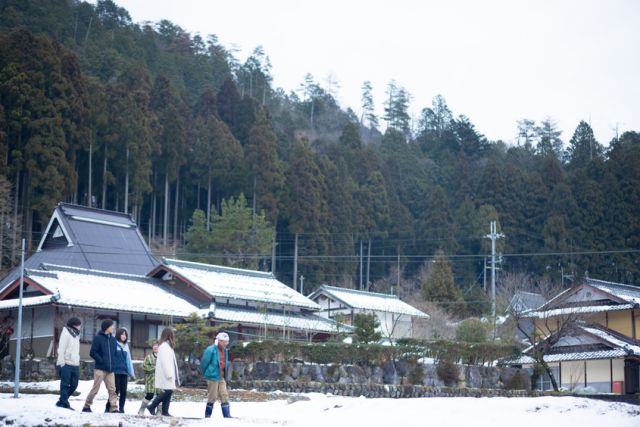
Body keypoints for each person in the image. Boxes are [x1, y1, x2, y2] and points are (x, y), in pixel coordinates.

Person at [82, 319, 118, 413]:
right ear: (106, 327)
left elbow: (114, 354)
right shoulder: (98, 338)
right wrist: (101, 361)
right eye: (112, 326)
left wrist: (113, 363)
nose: (113, 327)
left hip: (110, 370)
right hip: (100, 369)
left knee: (112, 390)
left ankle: (114, 408)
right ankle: (86, 406)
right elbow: (92, 352)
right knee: (95, 389)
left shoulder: (113, 340)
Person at [146, 328, 179, 416]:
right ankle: (152, 406)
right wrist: (169, 374)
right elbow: (165, 362)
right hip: (166, 373)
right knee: (167, 391)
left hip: (167, 373)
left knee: (169, 391)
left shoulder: (166, 345)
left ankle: (165, 411)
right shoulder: (164, 346)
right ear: (169, 335)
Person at [200, 331, 232, 418]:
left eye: (227, 342)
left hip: (221, 376)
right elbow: (204, 363)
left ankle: (227, 416)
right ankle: (207, 415)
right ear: (219, 341)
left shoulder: (225, 351)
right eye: (224, 342)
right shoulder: (210, 349)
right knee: (212, 396)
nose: (226, 343)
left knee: (224, 394)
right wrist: (205, 374)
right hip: (212, 376)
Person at [55, 317, 82, 410]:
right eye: (79, 325)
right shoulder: (66, 333)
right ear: (74, 325)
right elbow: (61, 349)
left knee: (74, 384)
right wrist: (61, 363)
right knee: (65, 384)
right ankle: (64, 402)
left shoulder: (76, 335)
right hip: (66, 363)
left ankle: (63, 400)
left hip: (75, 364)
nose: (80, 327)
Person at [109, 328, 135, 413]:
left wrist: (131, 372)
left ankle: (121, 408)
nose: (124, 336)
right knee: (116, 390)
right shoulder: (114, 344)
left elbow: (128, 360)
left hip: (124, 372)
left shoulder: (126, 346)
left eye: (125, 334)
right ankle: (108, 406)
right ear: (118, 334)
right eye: (122, 334)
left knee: (123, 391)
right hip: (116, 371)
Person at [138, 341, 161, 415]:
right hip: (150, 380)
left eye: (157, 346)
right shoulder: (148, 357)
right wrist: (153, 368)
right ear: (152, 347)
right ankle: (141, 410)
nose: (155, 347)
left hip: (160, 380)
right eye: (154, 346)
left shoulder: (162, 357)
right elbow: (144, 366)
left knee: (159, 395)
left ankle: (159, 411)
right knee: (150, 395)